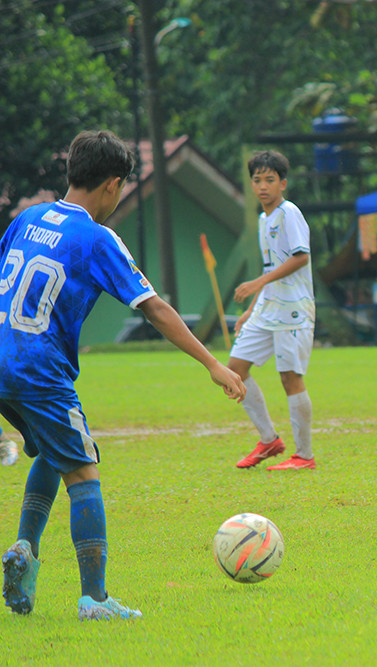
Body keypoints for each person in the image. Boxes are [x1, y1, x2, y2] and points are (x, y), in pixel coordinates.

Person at [0, 130, 247, 621]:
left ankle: (25, 550)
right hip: (38, 369)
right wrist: (214, 363)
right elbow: (153, 308)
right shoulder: (95, 237)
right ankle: (94, 599)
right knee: (84, 469)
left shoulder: (26, 218)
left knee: (56, 449)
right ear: (113, 184)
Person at [228, 150, 316, 471]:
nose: (263, 186)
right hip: (268, 307)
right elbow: (271, 265)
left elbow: (300, 257)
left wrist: (256, 283)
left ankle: (304, 456)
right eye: (256, 180)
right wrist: (252, 308)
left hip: (293, 309)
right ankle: (269, 440)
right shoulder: (264, 219)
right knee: (234, 370)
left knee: (290, 378)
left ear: (283, 183)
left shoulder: (288, 213)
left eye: (269, 180)